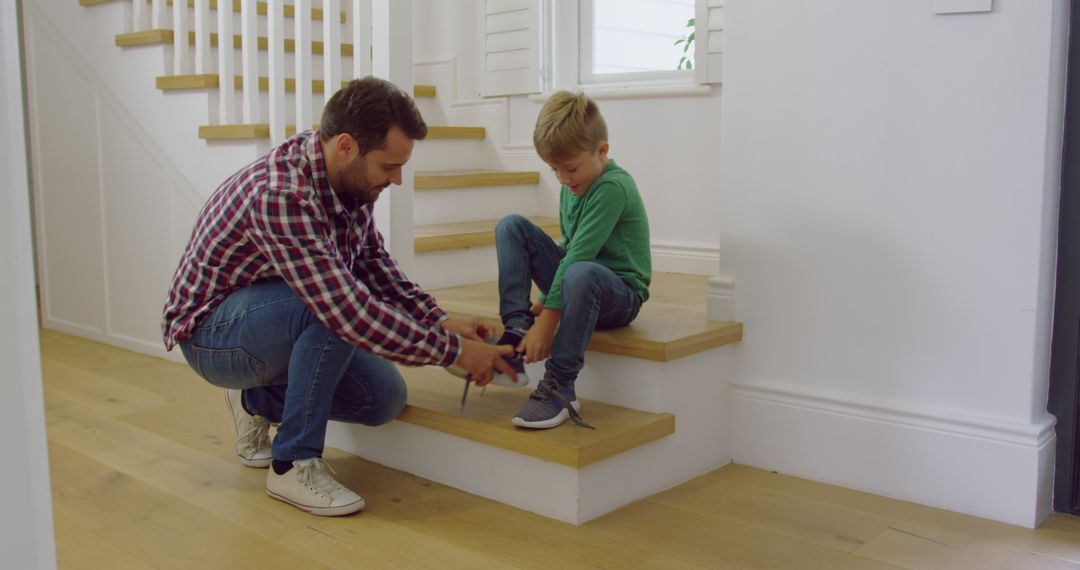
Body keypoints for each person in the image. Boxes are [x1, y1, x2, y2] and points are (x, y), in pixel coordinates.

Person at [162, 77, 515, 517]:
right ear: (347, 145)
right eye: (389, 167)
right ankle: (293, 463)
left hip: (273, 317)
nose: (397, 179)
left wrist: (437, 320)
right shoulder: (280, 194)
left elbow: (373, 263)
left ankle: (255, 401)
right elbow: (346, 310)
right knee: (333, 308)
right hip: (210, 335)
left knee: (382, 398)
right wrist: (453, 352)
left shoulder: (349, 181)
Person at [493, 91, 651, 430]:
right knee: (512, 227)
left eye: (570, 168)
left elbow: (579, 257)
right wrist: (541, 303)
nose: (563, 179)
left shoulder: (612, 187)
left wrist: (549, 321)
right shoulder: (573, 184)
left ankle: (560, 386)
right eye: (554, 170)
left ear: (602, 151)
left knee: (580, 272)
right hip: (577, 279)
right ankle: (515, 330)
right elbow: (570, 245)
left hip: (618, 296)